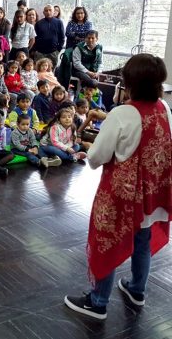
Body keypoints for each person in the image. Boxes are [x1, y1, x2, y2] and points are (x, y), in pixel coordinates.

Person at [63, 54, 171, 319]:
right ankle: (137, 289)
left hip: (121, 195)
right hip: (151, 192)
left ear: (130, 82)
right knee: (143, 240)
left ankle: (98, 302)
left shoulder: (122, 114)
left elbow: (97, 158)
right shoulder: (165, 109)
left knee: (107, 242)